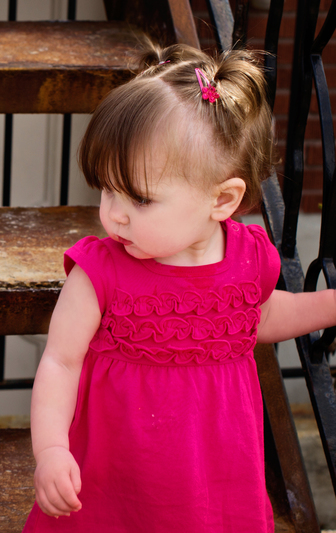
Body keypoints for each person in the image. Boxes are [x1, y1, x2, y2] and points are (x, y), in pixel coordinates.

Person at [24, 42, 336, 532]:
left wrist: (329, 305)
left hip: (215, 475)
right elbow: (61, 362)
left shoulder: (248, 257)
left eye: (140, 199)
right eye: (107, 189)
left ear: (222, 200)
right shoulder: (98, 272)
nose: (114, 214)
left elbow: (262, 317)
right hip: (117, 478)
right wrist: (51, 450)